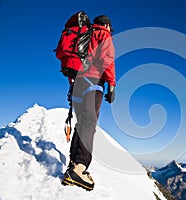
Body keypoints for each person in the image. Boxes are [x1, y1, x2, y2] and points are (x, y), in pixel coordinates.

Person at [61, 15, 116, 191]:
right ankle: (79, 168)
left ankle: (73, 164)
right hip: (94, 81)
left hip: (77, 83)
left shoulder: (82, 33)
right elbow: (107, 59)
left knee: (81, 122)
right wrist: (112, 85)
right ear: (106, 25)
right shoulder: (102, 34)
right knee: (89, 122)